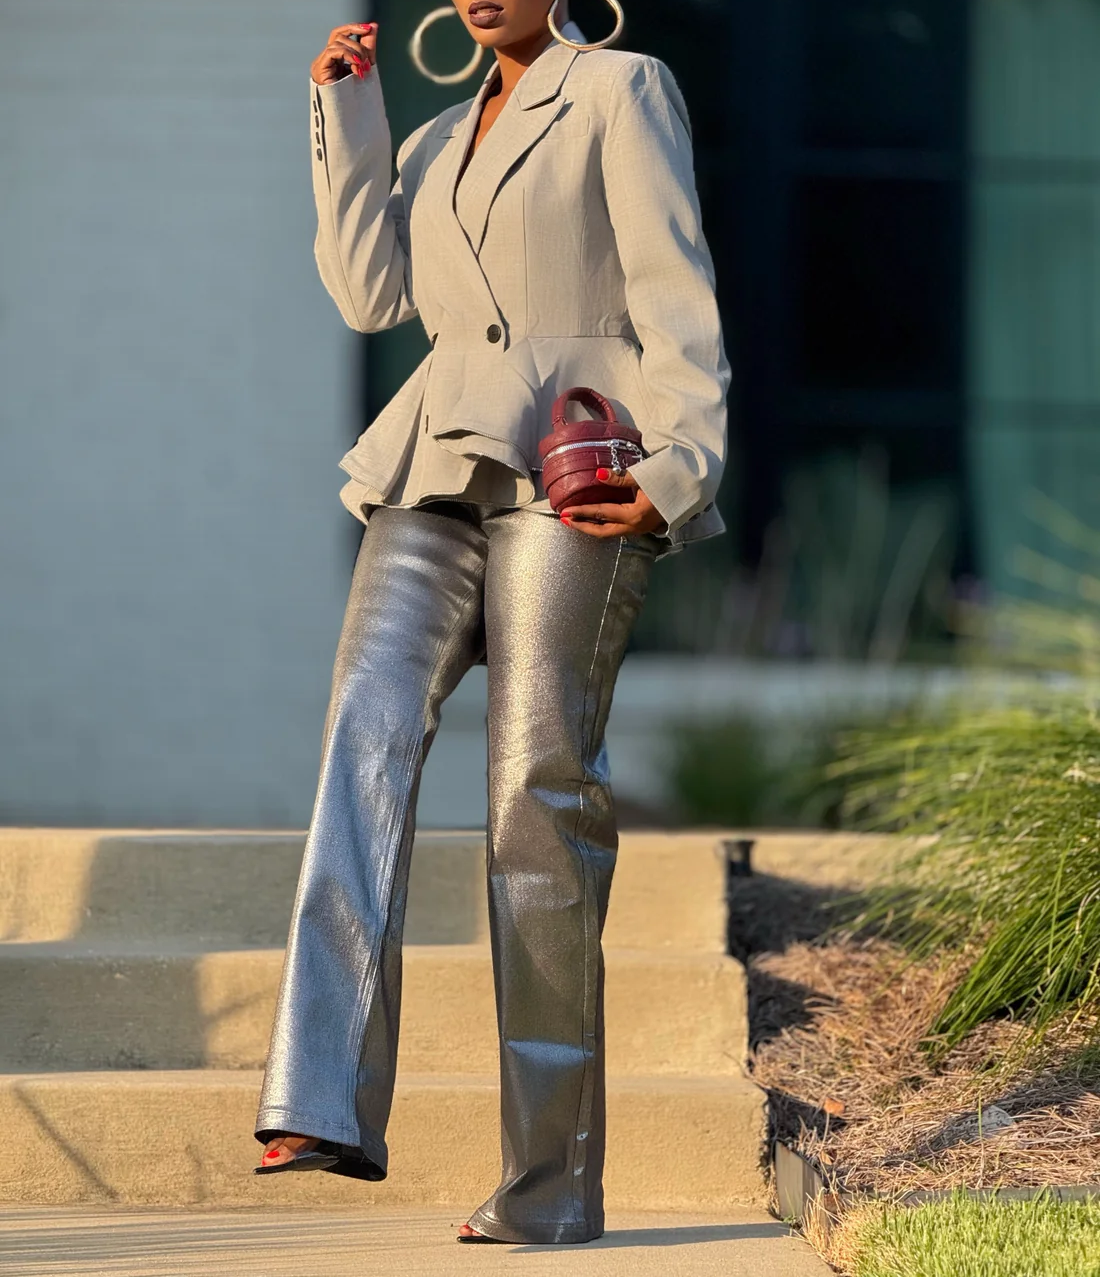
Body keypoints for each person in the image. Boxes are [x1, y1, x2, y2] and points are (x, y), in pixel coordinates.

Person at [252, 0, 730, 1245]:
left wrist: (678, 471)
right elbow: (367, 294)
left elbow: (676, 288)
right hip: (435, 465)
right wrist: (347, 112)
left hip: (576, 466)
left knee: (534, 791)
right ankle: (320, 1102)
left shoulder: (620, 87)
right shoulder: (432, 138)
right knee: (362, 724)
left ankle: (550, 1184)